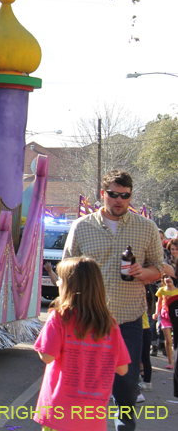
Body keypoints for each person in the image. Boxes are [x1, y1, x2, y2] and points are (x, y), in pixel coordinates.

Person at [63, 169, 173, 431]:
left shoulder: (145, 227)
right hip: (88, 318)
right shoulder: (82, 226)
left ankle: (124, 425)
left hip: (127, 319)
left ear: (130, 196)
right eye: (113, 194)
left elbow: (160, 267)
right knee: (86, 384)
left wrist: (143, 273)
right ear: (103, 194)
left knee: (126, 383)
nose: (119, 200)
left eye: (125, 196)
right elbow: (66, 265)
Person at [33, 257, 130, 431]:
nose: (58, 284)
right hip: (93, 417)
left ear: (71, 286)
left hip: (59, 413)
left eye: (60, 280)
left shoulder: (60, 317)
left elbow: (47, 356)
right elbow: (122, 369)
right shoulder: (110, 324)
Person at [154, 276, 178, 368]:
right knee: (168, 340)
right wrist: (156, 313)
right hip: (164, 317)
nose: (167, 279)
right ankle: (170, 362)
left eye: (170, 277)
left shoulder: (177, 291)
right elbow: (159, 303)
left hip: (175, 317)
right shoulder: (161, 290)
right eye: (165, 277)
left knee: (175, 340)